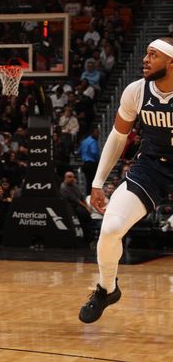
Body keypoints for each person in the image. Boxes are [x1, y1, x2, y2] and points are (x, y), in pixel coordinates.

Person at [79, 38, 173, 323]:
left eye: (153, 55)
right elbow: (119, 136)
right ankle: (107, 288)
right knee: (110, 229)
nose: (145, 59)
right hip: (152, 167)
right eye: (145, 53)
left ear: (170, 63)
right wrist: (97, 182)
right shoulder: (136, 91)